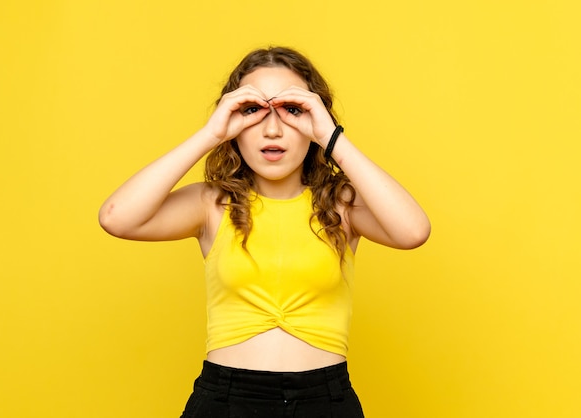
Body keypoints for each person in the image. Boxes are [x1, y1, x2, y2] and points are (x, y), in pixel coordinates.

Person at [99, 46, 430, 417]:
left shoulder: (341, 204)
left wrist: (330, 136)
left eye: (292, 110)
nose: (272, 129)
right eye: (252, 111)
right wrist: (211, 133)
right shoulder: (212, 204)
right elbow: (116, 218)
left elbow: (413, 231)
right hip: (226, 401)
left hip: (325, 401)